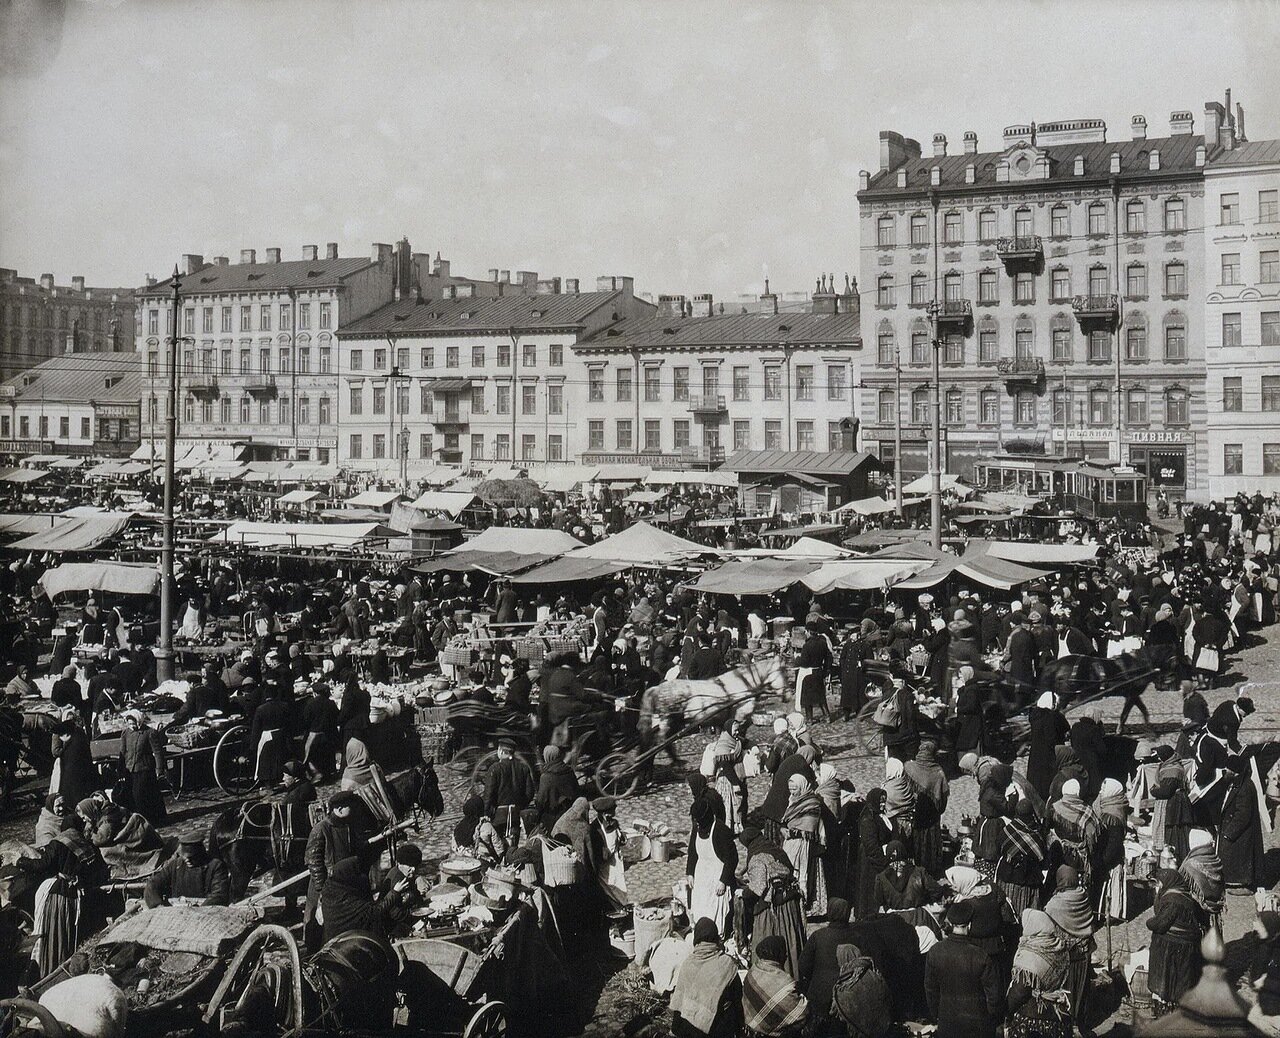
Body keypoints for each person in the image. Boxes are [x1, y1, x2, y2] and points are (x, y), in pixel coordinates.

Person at [924, 900, 1003, 1038]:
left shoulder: (935, 951)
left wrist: (936, 1015)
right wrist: (990, 1018)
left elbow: (930, 989)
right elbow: (994, 996)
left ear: (951, 924)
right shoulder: (981, 955)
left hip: (947, 1021)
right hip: (976, 1025)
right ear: (970, 925)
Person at [304, 792, 371, 952]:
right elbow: (314, 863)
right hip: (327, 887)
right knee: (321, 929)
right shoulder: (321, 829)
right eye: (351, 807)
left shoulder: (350, 825)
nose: (354, 810)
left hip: (348, 885)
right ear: (339, 809)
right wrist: (323, 892)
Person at [740, 825, 807, 979]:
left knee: (771, 940)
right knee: (789, 939)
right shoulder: (775, 850)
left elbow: (759, 888)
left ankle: (771, 979)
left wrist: (743, 892)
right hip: (789, 905)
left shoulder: (757, 858)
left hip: (774, 909)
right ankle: (793, 973)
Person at [669, 917, 744, 1038]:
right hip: (715, 1030)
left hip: (687, 1028)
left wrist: (676, 1029)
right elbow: (738, 999)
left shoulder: (688, 963)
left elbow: (679, 1003)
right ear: (715, 937)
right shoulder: (726, 963)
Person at [1146, 868, 1209, 1011]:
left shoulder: (1173, 901)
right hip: (1188, 945)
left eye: (1160, 884)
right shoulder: (1186, 896)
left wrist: (1149, 922)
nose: (1159, 887)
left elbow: (1160, 925)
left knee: (1169, 977)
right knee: (1181, 978)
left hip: (1174, 946)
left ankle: (1167, 1004)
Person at [1005, 908, 1072, 1038]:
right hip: (1057, 1015)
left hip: (1034, 1020)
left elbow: (1020, 991)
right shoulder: (1058, 947)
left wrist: (1007, 1011)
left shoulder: (1030, 957)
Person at [1043, 866, 1095, 1026]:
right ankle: (1079, 1021)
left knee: (1065, 990)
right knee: (1080, 989)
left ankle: (1064, 1022)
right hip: (1083, 953)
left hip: (1064, 956)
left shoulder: (1055, 904)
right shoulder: (1083, 895)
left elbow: (1048, 925)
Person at [796, 897, 855, 1037]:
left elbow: (803, 966)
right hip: (848, 1001)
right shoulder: (857, 936)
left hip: (820, 999)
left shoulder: (818, 936)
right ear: (847, 914)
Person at [686, 791, 737, 939]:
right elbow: (692, 852)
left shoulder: (720, 830)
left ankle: (717, 938)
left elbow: (732, 858)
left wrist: (723, 881)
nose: (697, 823)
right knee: (701, 908)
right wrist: (690, 872)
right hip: (701, 875)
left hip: (717, 877)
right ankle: (701, 936)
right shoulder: (697, 827)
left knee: (715, 911)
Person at [742, 934, 809, 1037]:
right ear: (778, 954)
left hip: (750, 1032)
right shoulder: (785, 983)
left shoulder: (753, 971)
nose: (786, 956)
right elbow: (802, 1015)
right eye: (784, 953)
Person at [780, 772, 826, 917]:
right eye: (790, 789)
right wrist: (783, 829)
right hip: (790, 843)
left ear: (802, 786)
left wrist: (794, 830)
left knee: (802, 873)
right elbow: (785, 820)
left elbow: (809, 824)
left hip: (804, 844)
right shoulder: (791, 799)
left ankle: (803, 905)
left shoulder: (812, 803)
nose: (792, 792)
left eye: (795, 789)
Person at [144, 833, 231, 907]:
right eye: (184, 857)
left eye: (191, 857)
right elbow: (153, 883)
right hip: (177, 913)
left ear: (201, 853)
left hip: (205, 913)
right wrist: (158, 906)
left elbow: (219, 894)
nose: (187, 860)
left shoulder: (215, 866)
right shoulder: (175, 865)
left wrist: (200, 909)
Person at [320, 856, 390, 945]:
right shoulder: (346, 896)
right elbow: (374, 912)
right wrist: (395, 893)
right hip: (350, 940)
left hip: (331, 940)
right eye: (357, 873)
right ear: (350, 874)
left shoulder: (331, 889)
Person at [118, 709, 166, 827]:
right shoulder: (126, 733)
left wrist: (159, 770)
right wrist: (120, 769)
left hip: (145, 769)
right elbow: (123, 752)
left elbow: (158, 752)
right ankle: (137, 821)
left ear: (139, 721)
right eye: (129, 723)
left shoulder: (149, 733)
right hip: (130, 769)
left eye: (133, 723)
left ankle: (149, 821)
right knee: (132, 796)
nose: (131, 726)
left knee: (141, 795)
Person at [484, 738, 536, 839]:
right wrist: (521, 805)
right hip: (516, 815)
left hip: (499, 815)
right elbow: (530, 793)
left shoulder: (495, 768)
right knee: (513, 845)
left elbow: (488, 793)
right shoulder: (523, 768)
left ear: (502, 751)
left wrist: (486, 812)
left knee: (499, 845)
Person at [873, 839, 942, 915]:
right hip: (917, 917)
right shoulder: (919, 871)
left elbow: (878, 901)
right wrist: (923, 902)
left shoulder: (881, 877)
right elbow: (937, 890)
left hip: (894, 919)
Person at [854, 788, 891, 920]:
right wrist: (882, 863)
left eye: (884, 802)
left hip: (875, 858)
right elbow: (871, 845)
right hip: (870, 862)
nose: (883, 805)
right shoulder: (868, 818)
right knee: (868, 890)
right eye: (881, 802)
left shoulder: (877, 814)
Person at [534, 744, 579, 829]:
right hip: (569, 815)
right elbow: (577, 792)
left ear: (547, 757)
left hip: (552, 819)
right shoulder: (569, 771)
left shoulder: (546, 776)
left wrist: (537, 818)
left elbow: (541, 801)